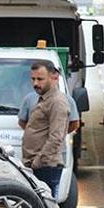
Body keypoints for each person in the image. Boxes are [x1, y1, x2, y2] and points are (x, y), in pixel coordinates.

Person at [22, 61, 69, 197]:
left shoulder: (57, 101)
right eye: (33, 79)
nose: (35, 83)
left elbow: (56, 137)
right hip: (37, 166)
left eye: (40, 79)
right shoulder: (43, 98)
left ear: (53, 77)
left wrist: (38, 162)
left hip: (46, 167)